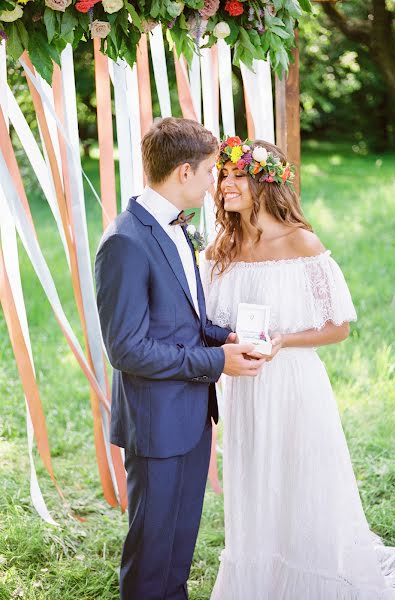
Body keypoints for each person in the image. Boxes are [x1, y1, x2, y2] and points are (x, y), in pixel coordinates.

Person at [202, 136, 395, 599]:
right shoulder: (220, 250)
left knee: (300, 478)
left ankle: (310, 574)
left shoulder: (301, 243)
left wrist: (284, 340)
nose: (225, 184)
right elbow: (208, 322)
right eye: (223, 175)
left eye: (236, 176)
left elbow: (338, 327)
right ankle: (261, 577)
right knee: (255, 481)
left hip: (293, 382)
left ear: (263, 182)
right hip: (246, 387)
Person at [94, 119, 265, 600]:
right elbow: (126, 348)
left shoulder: (174, 228)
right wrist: (216, 363)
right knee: (153, 548)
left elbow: (180, 315)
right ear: (185, 172)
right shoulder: (126, 242)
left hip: (190, 414)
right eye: (211, 171)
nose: (217, 182)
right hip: (156, 421)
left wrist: (222, 335)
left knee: (178, 542)